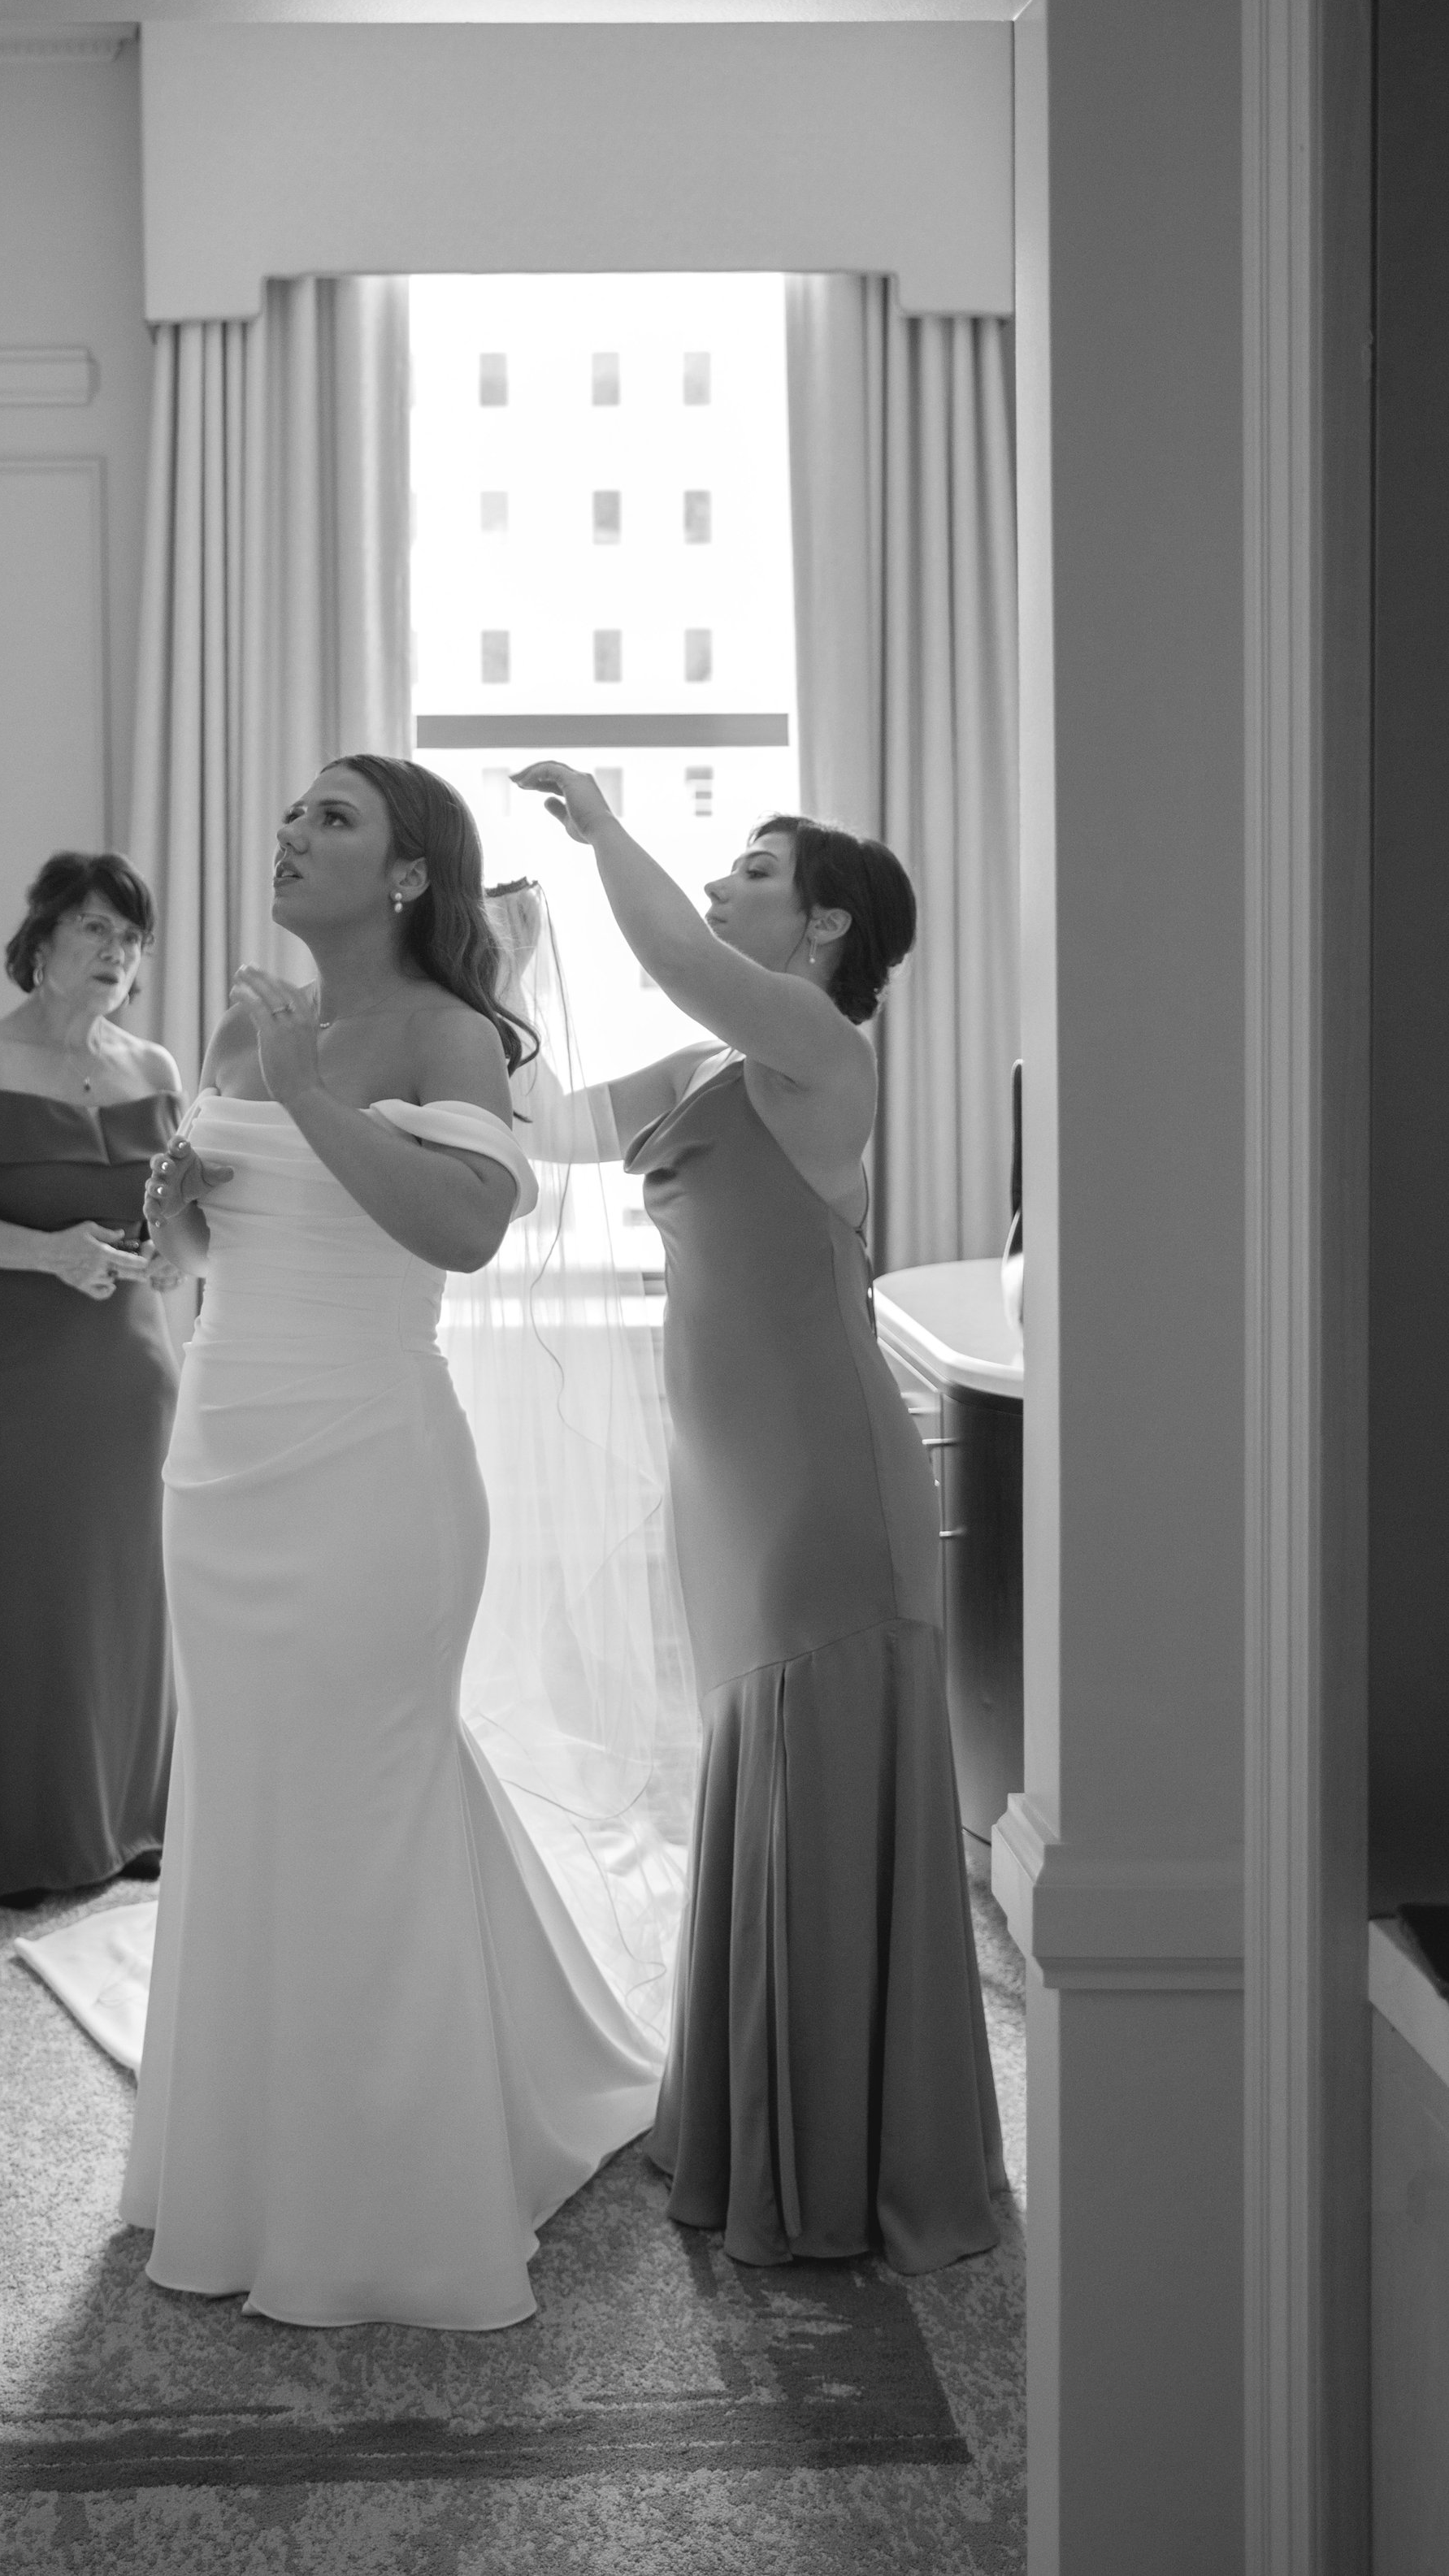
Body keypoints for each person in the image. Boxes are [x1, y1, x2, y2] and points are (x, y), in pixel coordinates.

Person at [120, 757, 662, 2330]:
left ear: (410, 873)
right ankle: (235, 2167)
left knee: (361, 1806)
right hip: (219, 1462)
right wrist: (174, 1215)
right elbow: (201, 1259)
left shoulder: (446, 1036)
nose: (289, 835)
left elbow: (461, 1234)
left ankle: (383, 2196)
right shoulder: (244, 1022)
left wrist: (294, 1099)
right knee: (242, 1809)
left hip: (368, 1471)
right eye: (289, 814)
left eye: (331, 820)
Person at [509, 764, 1007, 2275]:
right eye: (722, 867)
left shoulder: (820, 1041)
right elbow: (541, 1127)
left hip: (818, 1481)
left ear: (824, 923)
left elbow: (676, 952)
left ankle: (840, 2162)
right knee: (758, 1765)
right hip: (731, 1483)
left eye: (754, 871)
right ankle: (768, 2125)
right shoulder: (715, 1065)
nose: (724, 887)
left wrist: (602, 825)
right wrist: (505, 985)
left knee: (813, 1762)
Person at [0, 851, 183, 1909]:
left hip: (125, 1378)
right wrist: (47, 1249)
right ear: (43, 940)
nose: (117, 952)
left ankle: (128, 1821)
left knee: (124, 1597)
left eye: (132, 936)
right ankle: (18, 1841)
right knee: (15, 1604)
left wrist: (167, 1254)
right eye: (97, 928)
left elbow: (176, 1217)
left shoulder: (156, 1065)